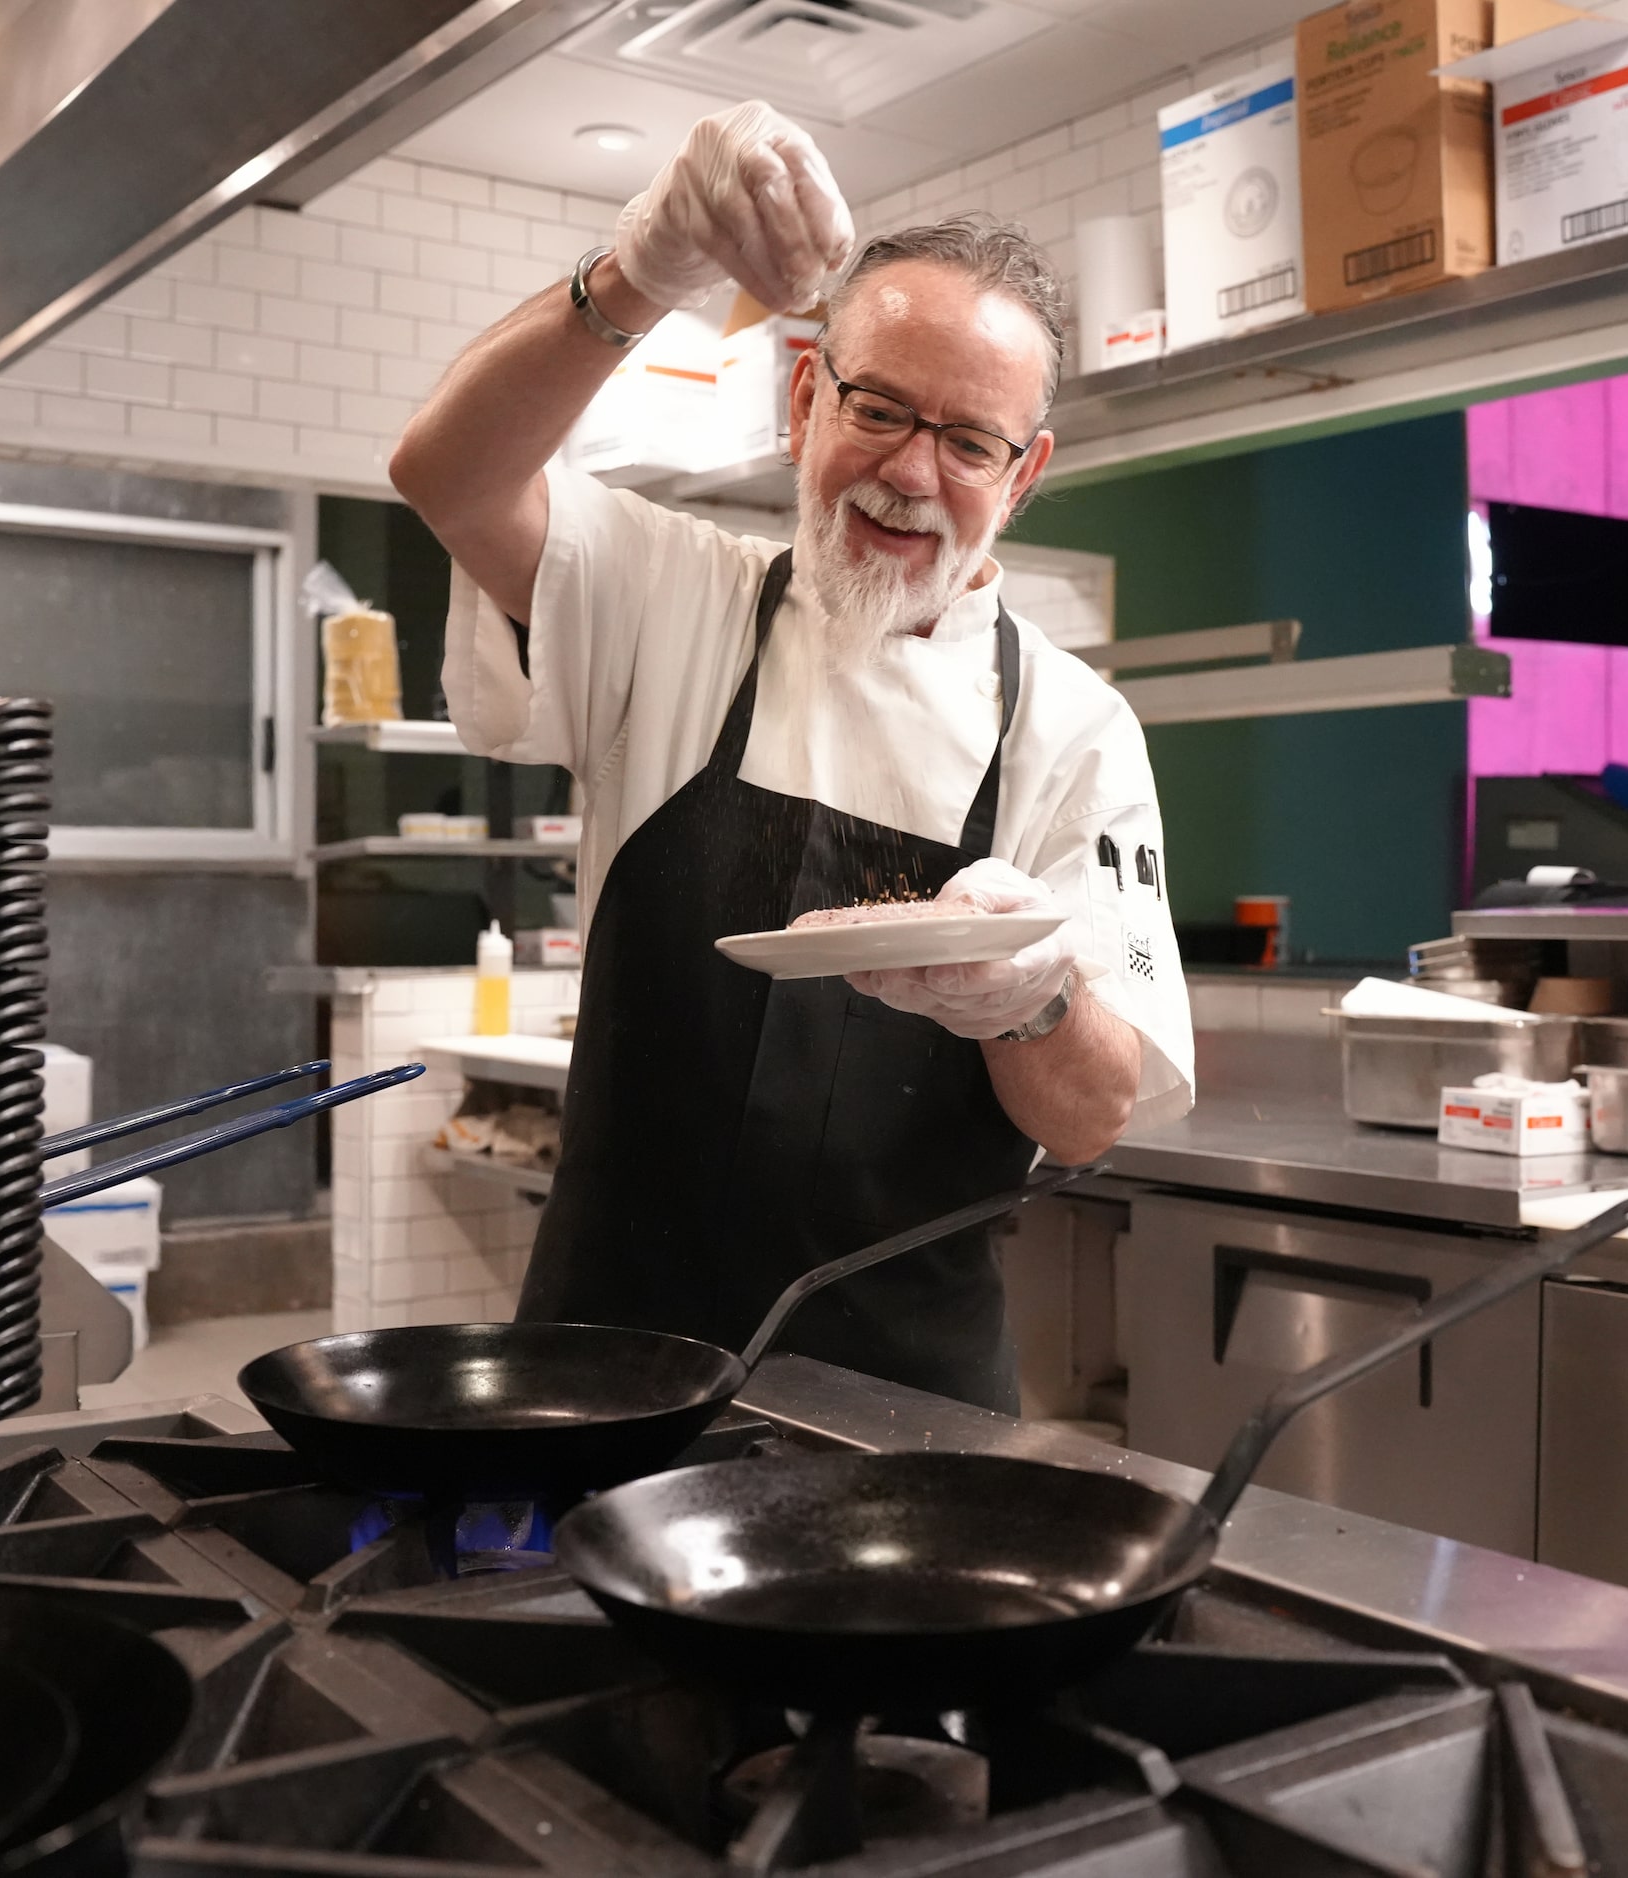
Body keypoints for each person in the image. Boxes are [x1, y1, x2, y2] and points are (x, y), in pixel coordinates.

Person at [389, 101, 1193, 1412]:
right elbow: (447, 473)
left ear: (1023, 472)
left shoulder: (1073, 729)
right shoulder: (675, 598)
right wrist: (636, 275)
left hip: (903, 1408)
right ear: (806, 396)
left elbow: (1095, 1111)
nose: (911, 472)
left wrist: (1030, 998)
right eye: (879, 408)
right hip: (601, 1371)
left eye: (969, 441)